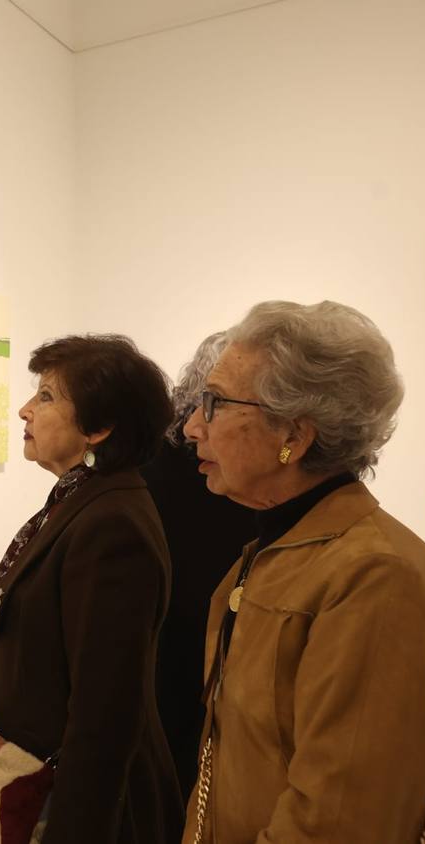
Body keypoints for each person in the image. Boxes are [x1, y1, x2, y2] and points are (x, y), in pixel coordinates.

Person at [180, 300, 425, 844]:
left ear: (294, 436)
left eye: (213, 403)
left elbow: (342, 822)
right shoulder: (271, 554)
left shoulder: (377, 578)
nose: (192, 426)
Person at [0, 334, 184, 844]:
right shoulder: (84, 499)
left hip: (92, 811)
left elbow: (105, 712)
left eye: (45, 397)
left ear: (100, 427)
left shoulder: (112, 525)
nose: (24, 410)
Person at [141, 333, 256, 801]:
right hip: (198, 648)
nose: (195, 428)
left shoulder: (153, 458)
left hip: (173, 650)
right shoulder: (218, 470)